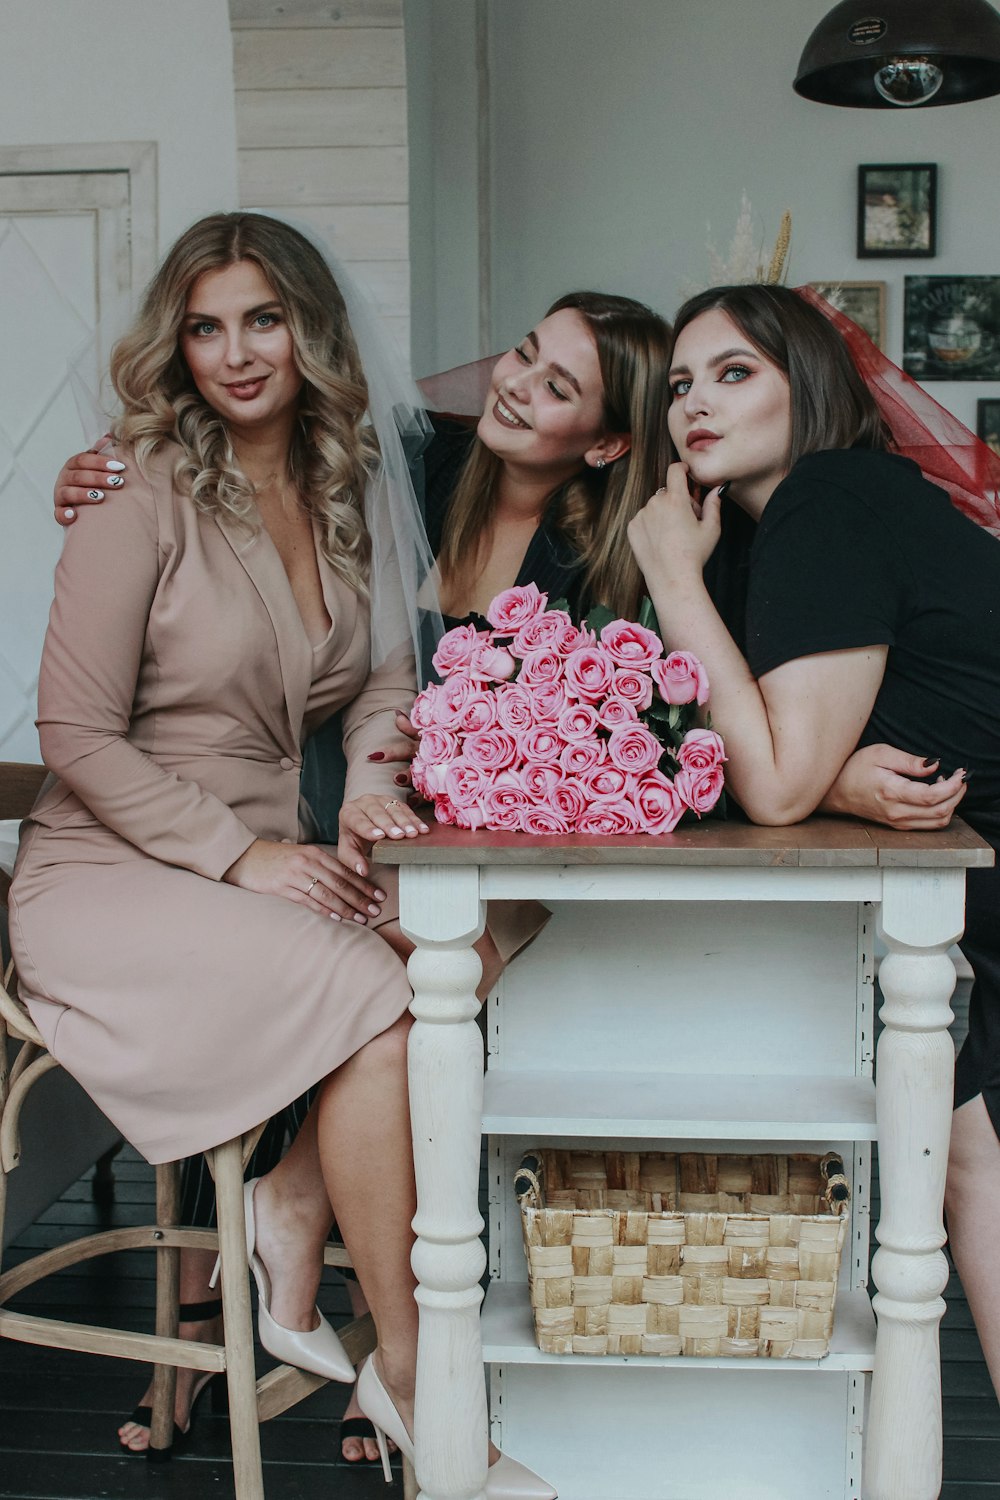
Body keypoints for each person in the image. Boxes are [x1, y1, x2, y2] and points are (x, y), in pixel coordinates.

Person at [14, 210, 554, 1498]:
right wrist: (239, 860)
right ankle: (420, 1382)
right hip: (113, 869)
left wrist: (372, 784)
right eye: (205, 326)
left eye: (263, 320)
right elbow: (74, 730)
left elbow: (377, 684)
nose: (235, 353)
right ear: (175, 343)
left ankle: (289, 1212)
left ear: (309, 329)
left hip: (269, 852)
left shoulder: (347, 482)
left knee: (459, 947)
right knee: (388, 992)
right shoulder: (132, 488)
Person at [628, 281, 1000, 1398]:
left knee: (972, 1164)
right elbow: (771, 764)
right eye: (680, 385)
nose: (695, 403)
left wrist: (667, 578)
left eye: (735, 372)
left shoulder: (829, 497)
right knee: (970, 1160)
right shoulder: (786, 530)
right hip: (962, 874)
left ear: (815, 386)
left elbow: (771, 784)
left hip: (973, 873)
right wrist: (833, 780)